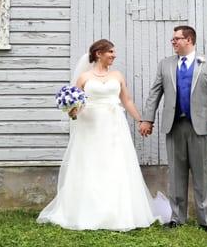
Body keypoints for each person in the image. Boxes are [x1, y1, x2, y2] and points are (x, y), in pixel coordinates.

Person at [37, 39, 162, 231]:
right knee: (91, 164)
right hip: (90, 126)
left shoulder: (117, 75)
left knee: (115, 163)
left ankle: (117, 212)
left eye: (114, 52)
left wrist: (141, 120)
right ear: (98, 53)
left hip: (114, 126)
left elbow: (126, 100)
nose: (114, 55)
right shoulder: (84, 77)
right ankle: (87, 211)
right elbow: (77, 105)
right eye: (110, 52)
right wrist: (71, 111)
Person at [140, 26, 207, 232]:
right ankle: (177, 218)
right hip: (174, 125)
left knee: (201, 174)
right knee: (176, 174)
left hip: (201, 128)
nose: (173, 42)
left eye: (176, 39)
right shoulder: (166, 64)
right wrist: (147, 120)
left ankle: (206, 221)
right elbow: (154, 94)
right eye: (173, 39)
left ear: (189, 40)